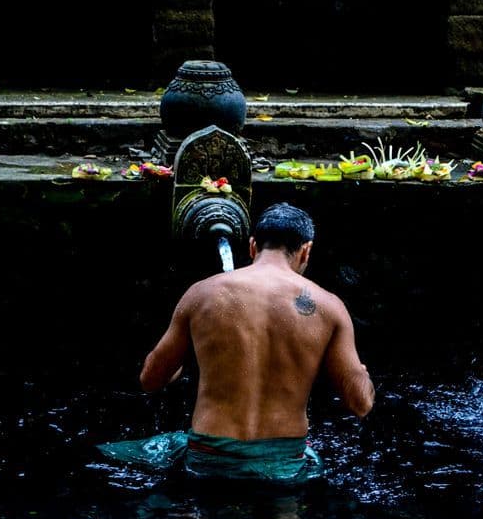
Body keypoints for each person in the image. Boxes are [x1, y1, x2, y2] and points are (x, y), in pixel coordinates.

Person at [99, 202, 374, 483]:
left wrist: (175, 370)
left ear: (253, 246)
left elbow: (150, 380)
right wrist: (361, 375)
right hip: (282, 463)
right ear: (306, 250)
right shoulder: (329, 306)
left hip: (209, 456)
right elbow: (359, 404)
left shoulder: (202, 293)